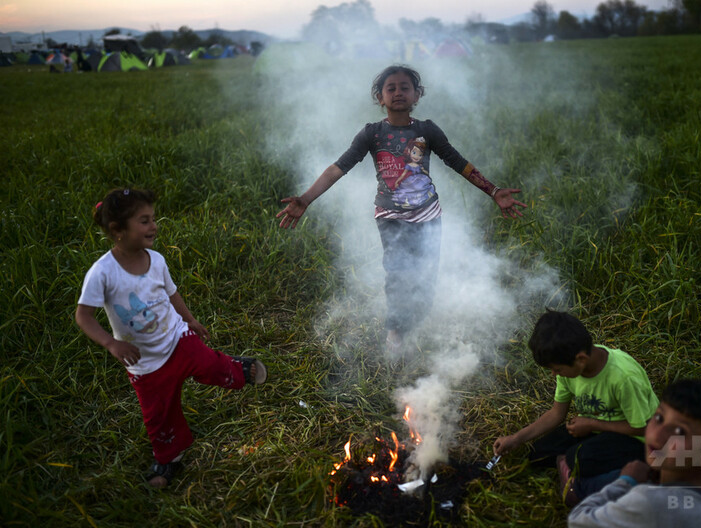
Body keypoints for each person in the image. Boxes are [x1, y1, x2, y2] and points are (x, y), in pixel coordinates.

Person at [276, 64, 527, 353]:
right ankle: (395, 331)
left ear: (416, 95)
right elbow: (338, 168)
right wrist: (306, 199)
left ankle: (418, 318)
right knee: (397, 273)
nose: (398, 92)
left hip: (428, 215)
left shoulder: (427, 130)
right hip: (390, 216)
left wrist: (493, 190)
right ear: (379, 97)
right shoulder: (372, 134)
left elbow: (458, 162)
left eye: (405, 87)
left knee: (426, 276)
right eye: (391, 88)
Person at [75, 188, 268, 488]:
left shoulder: (156, 260)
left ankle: (237, 369)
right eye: (144, 221)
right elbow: (83, 315)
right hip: (145, 363)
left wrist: (190, 320)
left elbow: (172, 293)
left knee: (208, 364)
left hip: (178, 338)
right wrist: (111, 343)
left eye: (153, 219)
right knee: (159, 416)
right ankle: (168, 458)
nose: (154, 226)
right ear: (117, 230)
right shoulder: (102, 273)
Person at [493, 310, 658, 505]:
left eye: (557, 369)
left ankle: (584, 475)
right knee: (537, 454)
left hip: (635, 438)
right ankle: (572, 462)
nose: (554, 374)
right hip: (594, 428)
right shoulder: (569, 369)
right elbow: (556, 413)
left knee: (578, 458)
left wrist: (592, 424)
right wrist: (516, 438)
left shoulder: (624, 378)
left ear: (581, 359)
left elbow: (644, 427)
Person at [568, 379, 701, 527]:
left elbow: (578, 521)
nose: (658, 434)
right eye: (659, 418)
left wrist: (626, 481)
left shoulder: (648, 503)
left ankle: (571, 485)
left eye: (680, 432)